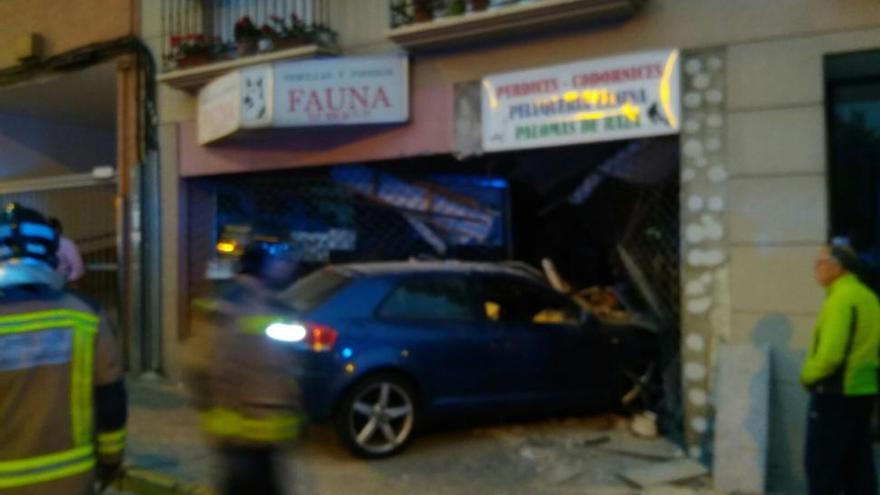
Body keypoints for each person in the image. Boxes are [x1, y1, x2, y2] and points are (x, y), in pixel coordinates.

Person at [0, 203, 127, 495]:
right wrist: (112, 459)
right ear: (50, 251)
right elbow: (111, 396)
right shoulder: (86, 316)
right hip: (71, 479)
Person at [184, 231, 305, 495]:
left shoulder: (276, 309)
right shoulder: (228, 308)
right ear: (263, 262)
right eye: (283, 260)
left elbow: (284, 371)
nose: (290, 266)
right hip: (243, 445)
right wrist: (223, 431)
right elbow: (198, 369)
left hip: (267, 443)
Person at [802, 239, 880, 495]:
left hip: (835, 394)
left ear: (839, 267)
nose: (817, 267)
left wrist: (807, 376)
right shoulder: (869, 297)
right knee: (858, 464)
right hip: (864, 391)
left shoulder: (840, 300)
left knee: (820, 467)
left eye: (821, 262)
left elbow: (830, 357)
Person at [49, 217, 85, 283]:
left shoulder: (67, 244)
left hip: (63, 281)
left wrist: (67, 281)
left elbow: (78, 268)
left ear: (58, 230)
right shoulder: (43, 244)